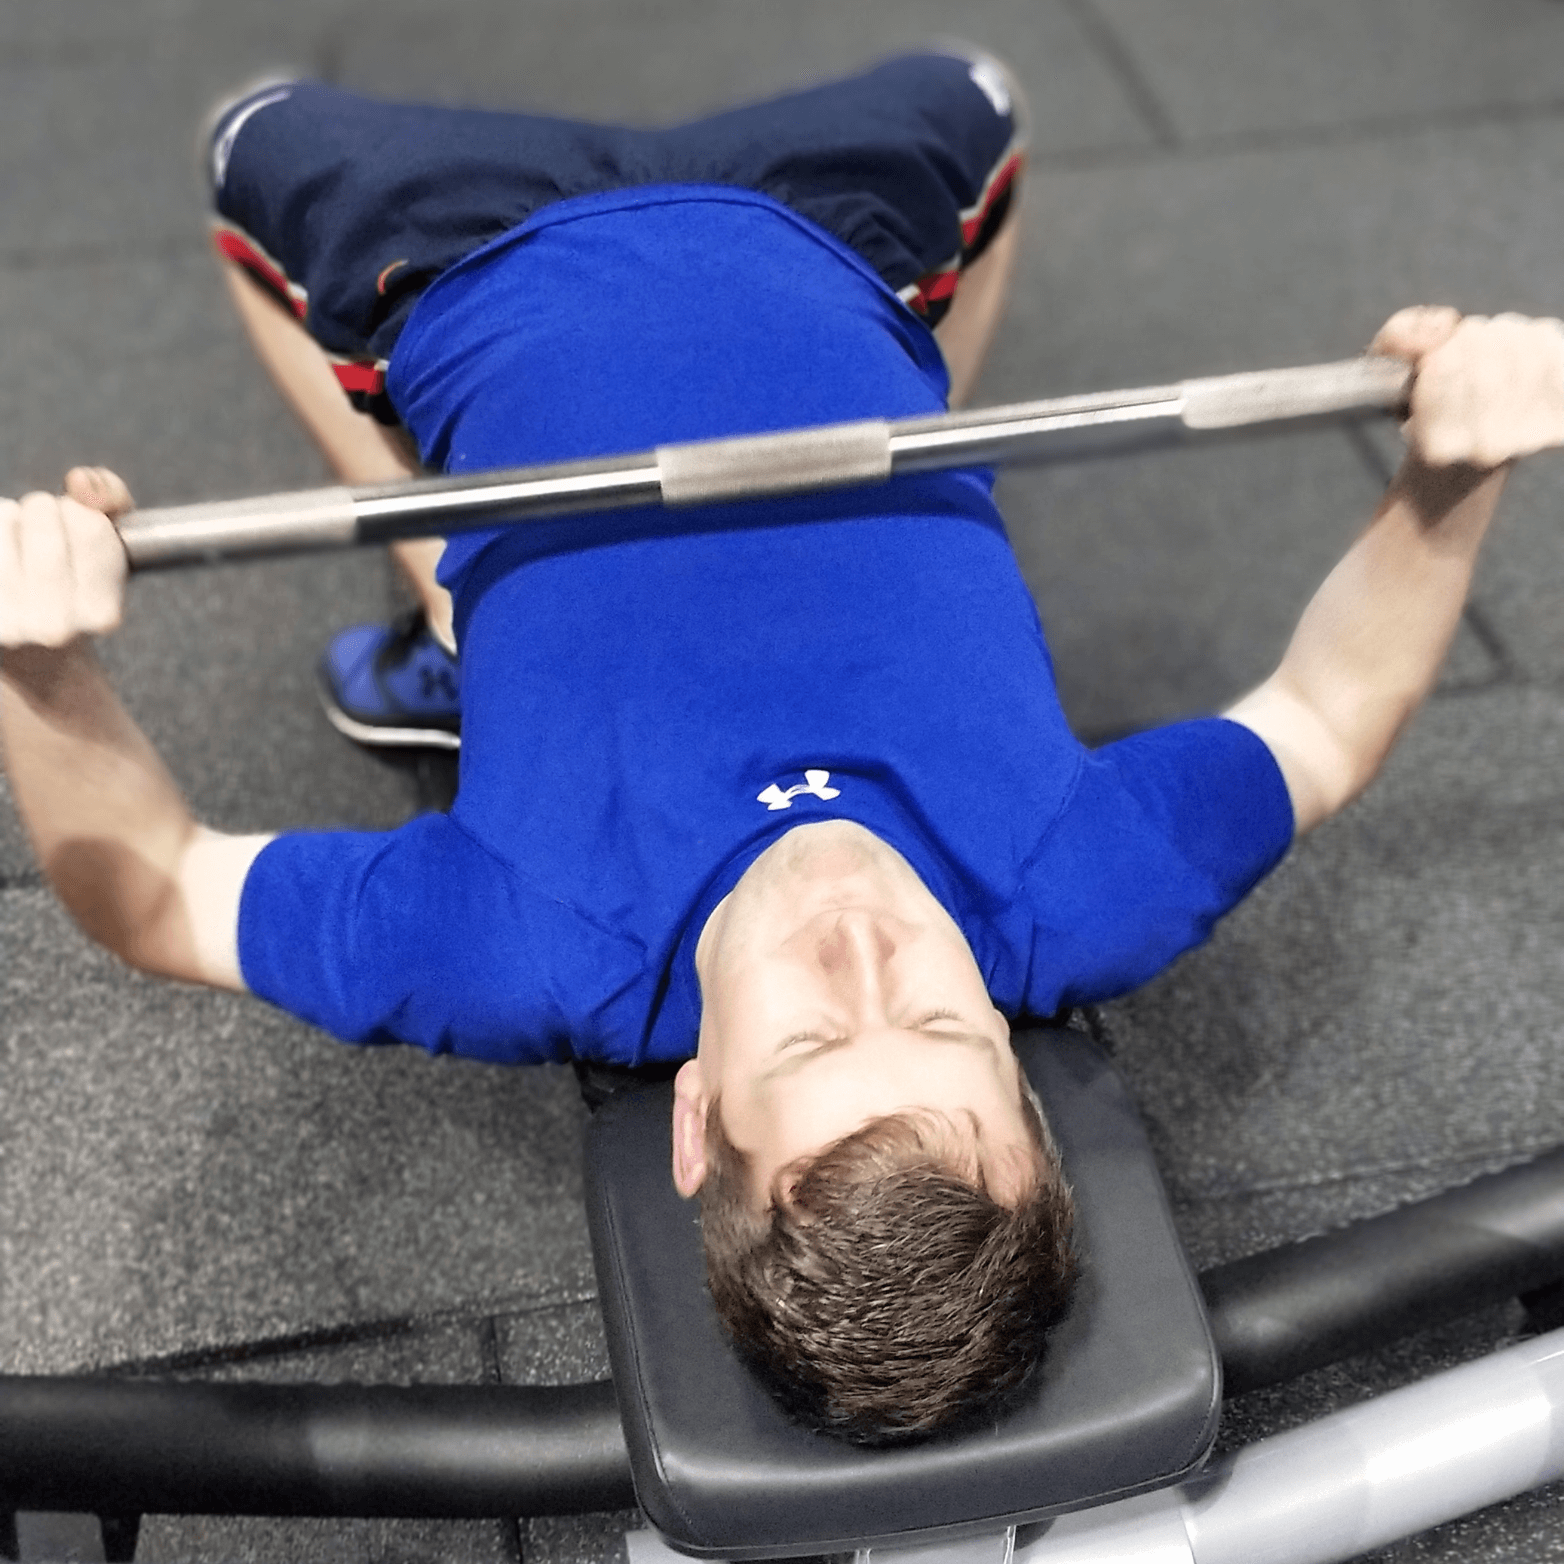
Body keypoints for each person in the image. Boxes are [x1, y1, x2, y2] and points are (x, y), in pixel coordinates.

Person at [2, 46, 1562, 1446]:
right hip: (839, 238)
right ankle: (890, 384)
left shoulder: (538, 945)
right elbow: (1327, 722)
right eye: (945, 1028)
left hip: (459, 251)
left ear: (695, 1113)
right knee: (984, 93)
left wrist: (35, 660)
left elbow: (150, 889)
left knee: (244, 138)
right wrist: (1451, 476)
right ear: (1022, 1078)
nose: (864, 950)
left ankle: (449, 600)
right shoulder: (1078, 891)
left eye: (811, 1042)